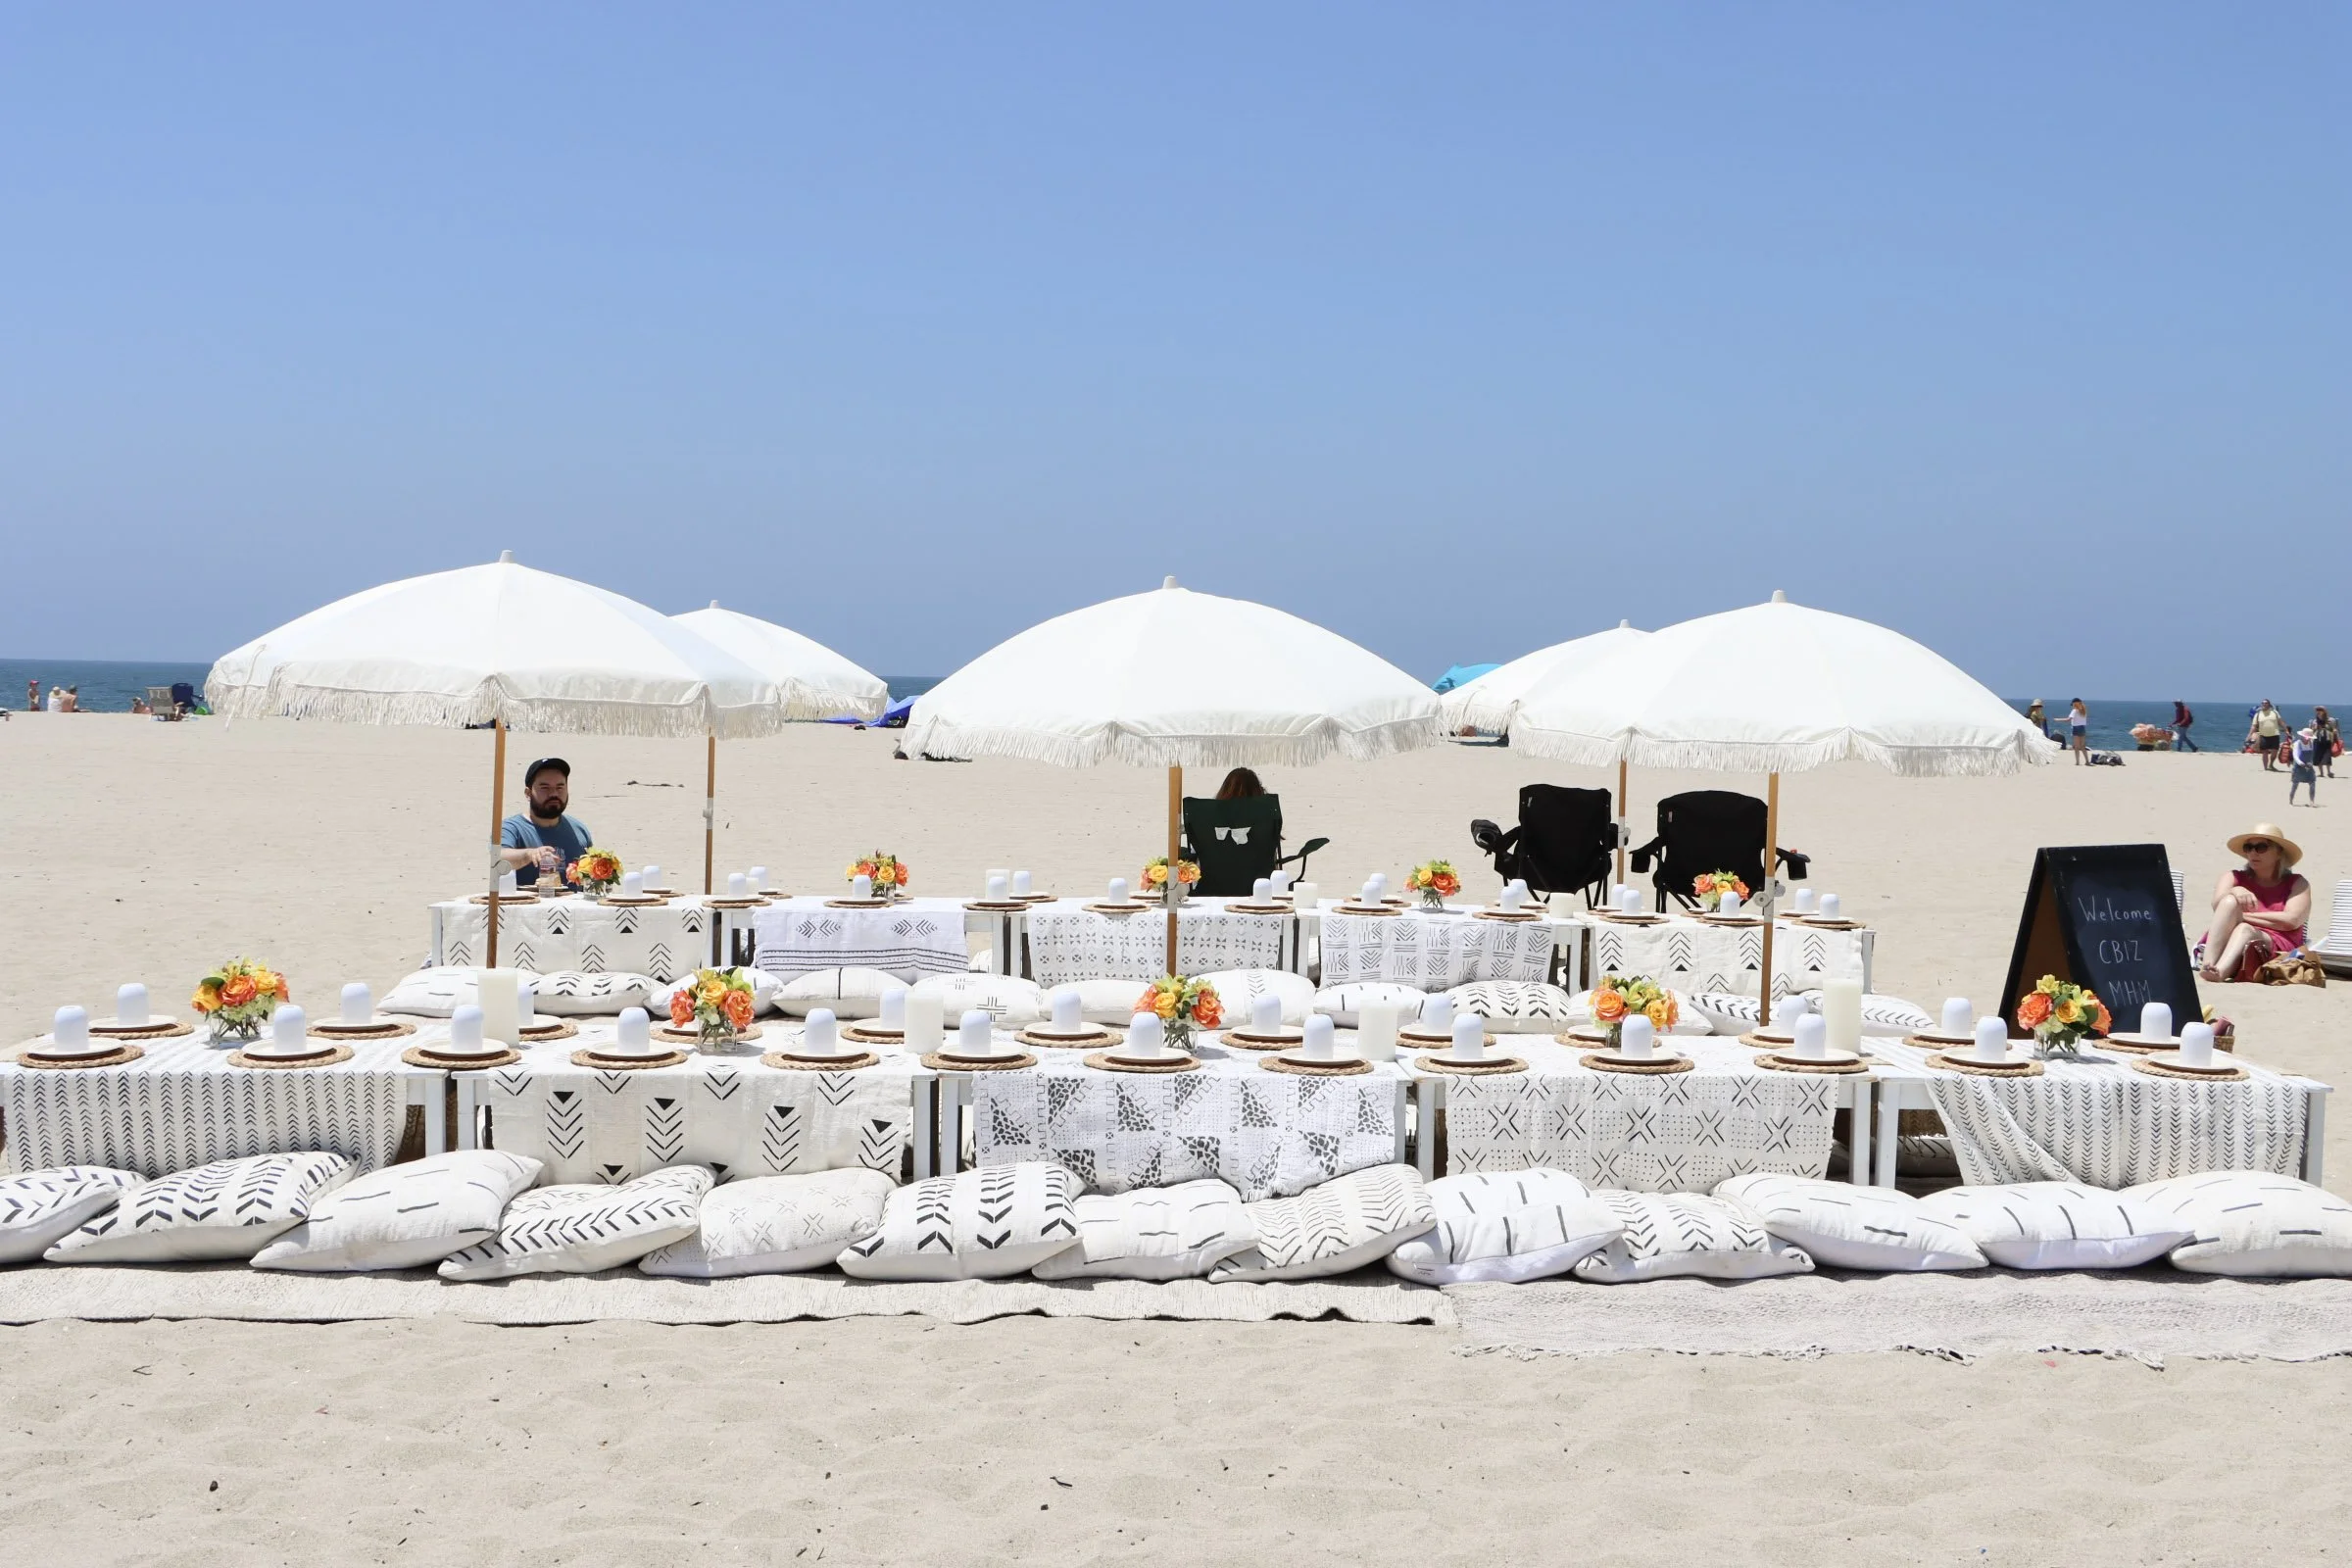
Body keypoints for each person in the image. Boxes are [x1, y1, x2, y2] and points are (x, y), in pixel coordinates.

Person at [2194, 825, 2311, 983]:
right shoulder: (2233, 877)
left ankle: (2219, 972)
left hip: (2279, 942)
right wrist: (2235, 891)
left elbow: (2292, 920)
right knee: (2228, 901)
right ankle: (2207, 965)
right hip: (2231, 937)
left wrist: (2240, 917)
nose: (2253, 853)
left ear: (2278, 853)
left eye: (2261, 847)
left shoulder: (2297, 883)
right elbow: (2219, 908)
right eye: (2248, 848)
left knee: (2244, 929)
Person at [498, 758, 593, 889]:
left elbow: (590, 876)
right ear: (528, 793)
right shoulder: (511, 828)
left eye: (560, 787)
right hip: (527, 906)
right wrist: (529, 855)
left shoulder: (579, 829)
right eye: (545, 787)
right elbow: (499, 858)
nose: (554, 793)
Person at [2288, 728, 2320, 807]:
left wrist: (2311, 763)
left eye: (2309, 738)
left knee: (2312, 782)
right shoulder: (2297, 743)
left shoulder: (2311, 744)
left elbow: (2312, 756)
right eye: (2307, 737)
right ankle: (2291, 800)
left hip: (2309, 766)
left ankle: (2312, 801)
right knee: (2295, 784)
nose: (2308, 739)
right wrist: (2300, 762)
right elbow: (2295, 755)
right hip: (2298, 767)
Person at [2253, 699, 2283, 771]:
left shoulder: (2275, 712)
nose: (2264, 704)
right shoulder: (2258, 714)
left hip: (2275, 735)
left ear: (2269, 704)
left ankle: (2271, 764)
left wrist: (2286, 730)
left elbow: (2280, 722)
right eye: (2263, 703)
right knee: (2265, 752)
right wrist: (2249, 736)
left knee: (2275, 752)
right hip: (2263, 735)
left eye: (2266, 703)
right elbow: (2254, 726)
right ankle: (2265, 768)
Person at [2316, 706, 2340, 778]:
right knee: (2318, 756)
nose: (2318, 711)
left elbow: (2335, 730)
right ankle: (2321, 773)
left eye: (2320, 710)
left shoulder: (2331, 720)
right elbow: (2314, 730)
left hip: (2328, 739)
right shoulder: (2315, 720)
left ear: (2324, 711)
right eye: (2317, 710)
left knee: (2327, 756)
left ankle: (2329, 772)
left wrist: (2337, 739)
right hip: (2319, 738)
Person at [2067, 699, 2088, 764]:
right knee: (2083, 746)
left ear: (2074, 704)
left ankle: (2077, 762)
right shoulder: (2084, 711)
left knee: (2076, 747)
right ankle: (2087, 761)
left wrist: (2057, 720)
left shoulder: (2074, 711)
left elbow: (2068, 719)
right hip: (2082, 728)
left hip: (2076, 728)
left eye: (2072, 705)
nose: (2072, 706)